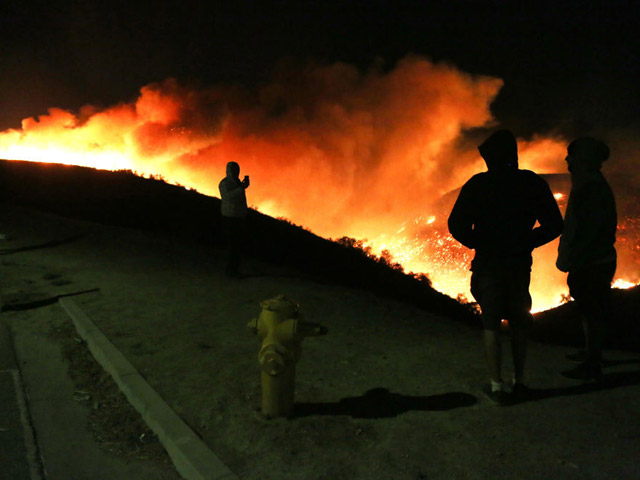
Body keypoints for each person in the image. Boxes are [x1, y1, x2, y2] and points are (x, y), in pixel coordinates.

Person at [448, 129, 563, 405]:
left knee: (491, 321)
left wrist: (479, 242)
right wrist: (527, 242)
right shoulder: (531, 184)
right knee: (519, 320)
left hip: (489, 265)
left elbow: (456, 224)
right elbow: (555, 224)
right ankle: (519, 381)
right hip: (518, 264)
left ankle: (497, 387)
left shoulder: (478, 185)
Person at [556, 137, 616, 381]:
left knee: (591, 310)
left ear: (584, 158)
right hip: (595, 260)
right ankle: (592, 352)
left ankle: (592, 363)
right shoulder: (589, 184)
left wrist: (574, 258)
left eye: (571, 155)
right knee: (589, 309)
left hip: (592, 262)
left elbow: (587, 230)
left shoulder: (589, 188)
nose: (566, 159)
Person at [218, 161, 250, 277]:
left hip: (238, 218)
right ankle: (231, 271)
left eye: (237, 169)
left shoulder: (237, 183)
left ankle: (235, 269)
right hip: (230, 218)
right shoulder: (225, 183)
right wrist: (241, 188)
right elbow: (227, 197)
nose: (236, 172)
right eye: (234, 170)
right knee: (232, 246)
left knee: (237, 246)